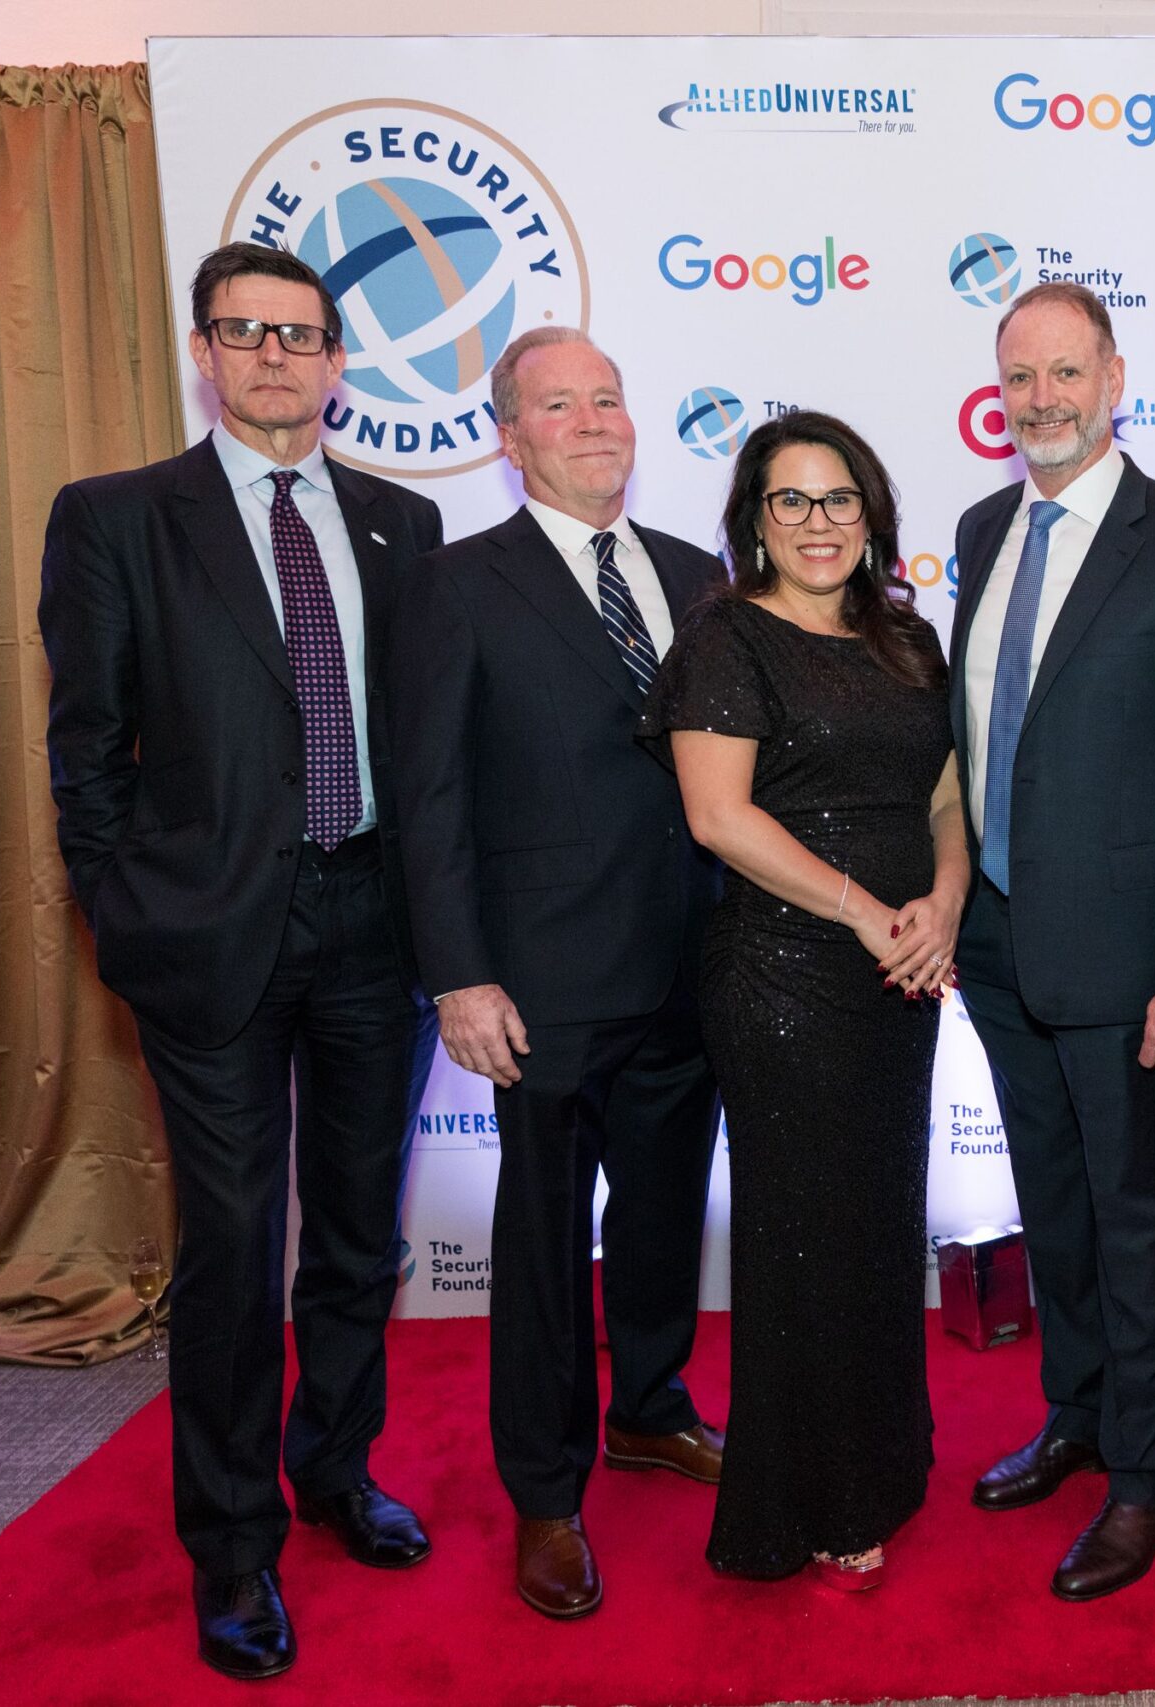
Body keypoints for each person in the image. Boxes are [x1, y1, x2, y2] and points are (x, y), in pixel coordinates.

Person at [38, 242, 443, 1681]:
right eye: (245, 330)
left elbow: (428, 738)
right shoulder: (116, 518)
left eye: (301, 334)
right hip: (207, 936)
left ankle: (335, 1468)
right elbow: (86, 746)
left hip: (374, 926)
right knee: (232, 1244)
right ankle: (230, 1544)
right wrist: (123, 908)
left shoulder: (404, 523)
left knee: (357, 1231)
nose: (275, 355)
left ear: (338, 361)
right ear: (205, 351)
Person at [391, 327, 726, 1620]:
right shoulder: (454, 585)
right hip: (539, 985)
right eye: (558, 404)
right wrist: (459, 976)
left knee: (661, 1212)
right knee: (540, 1245)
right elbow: (429, 797)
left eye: (608, 398)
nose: (592, 422)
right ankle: (544, 1489)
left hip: (690, 963)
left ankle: (648, 1404)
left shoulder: (696, 572)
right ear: (508, 436)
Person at [951, 282, 1155, 1600]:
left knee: (1134, 1218)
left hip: (1133, 961)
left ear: (1116, 379)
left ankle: (1148, 1477)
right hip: (998, 943)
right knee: (1055, 1200)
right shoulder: (983, 527)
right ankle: (1076, 1414)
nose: (1043, 400)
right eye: (1021, 377)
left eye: (1066, 373)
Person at [647, 411, 961, 1590]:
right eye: (792, 500)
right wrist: (866, 913)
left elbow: (944, 796)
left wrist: (943, 904)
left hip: (902, 976)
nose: (818, 522)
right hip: (784, 976)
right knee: (807, 1241)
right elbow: (717, 816)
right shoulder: (726, 638)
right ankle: (812, 1497)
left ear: (871, 516)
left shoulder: (907, 640)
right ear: (756, 520)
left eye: (839, 499)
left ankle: (882, 1460)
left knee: (878, 1228)